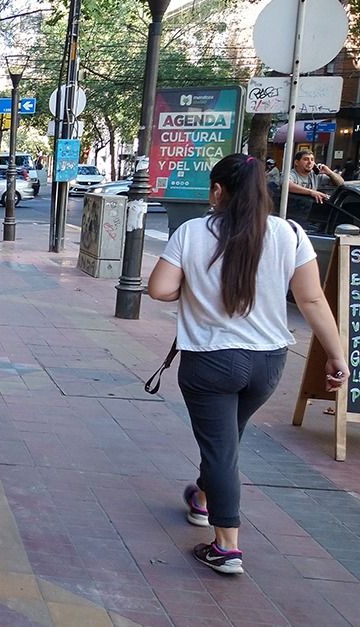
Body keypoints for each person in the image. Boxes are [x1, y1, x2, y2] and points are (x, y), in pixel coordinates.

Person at [147, 153, 347, 576]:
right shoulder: (290, 234)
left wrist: (194, 289)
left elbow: (160, 289)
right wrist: (335, 354)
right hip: (267, 363)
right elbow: (312, 300)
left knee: (221, 446)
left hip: (210, 362)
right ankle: (202, 497)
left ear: (218, 191)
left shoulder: (192, 232)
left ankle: (226, 546)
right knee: (225, 438)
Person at [272, 150, 344, 204]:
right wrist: (311, 192)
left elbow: (341, 183)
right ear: (296, 162)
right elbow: (286, 185)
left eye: (312, 160)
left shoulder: (315, 175)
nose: (310, 162)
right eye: (306, 159)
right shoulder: (290, 174)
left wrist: (330, 173)